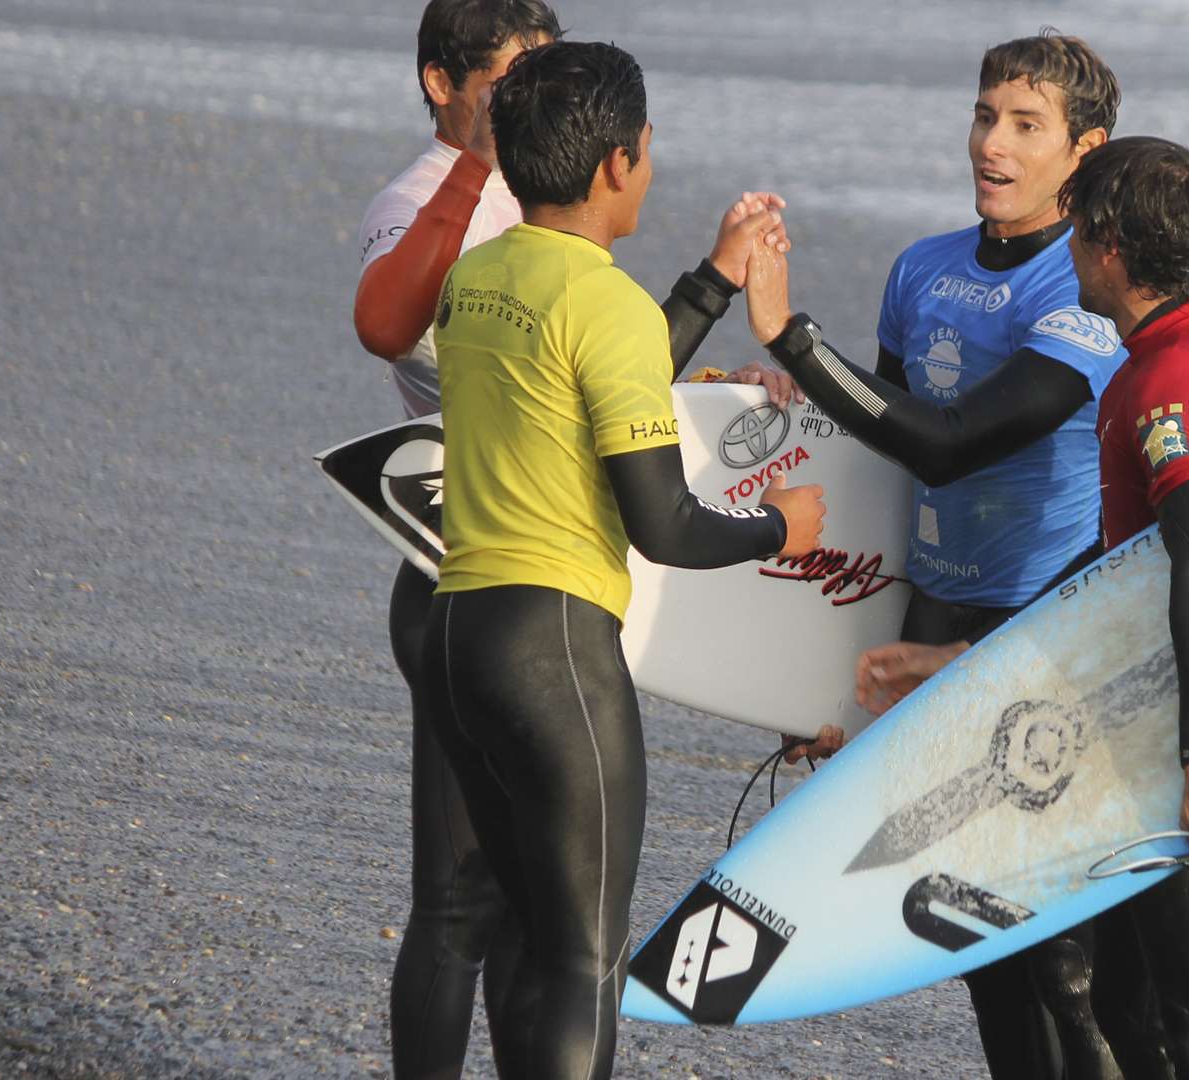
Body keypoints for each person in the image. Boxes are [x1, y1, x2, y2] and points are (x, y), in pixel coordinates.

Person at [347, 5, 796, 1076]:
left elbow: (573, 390)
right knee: (582, 959)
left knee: (469, 914)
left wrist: (706, 287)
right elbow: (664, 525)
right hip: (554, 649)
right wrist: (782, 527)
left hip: (454, 624)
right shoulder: (607, 308)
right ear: (616, 164)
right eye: (644, 156)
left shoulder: (472, 283)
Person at [740, 31, 1127, 1080]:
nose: (992, 144)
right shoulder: (923, 269)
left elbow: (951, 448)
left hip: (1042, 625)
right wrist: (810, 659)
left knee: (1056, 947)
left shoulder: (1085, 286)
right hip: (932, 617)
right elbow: (879, 458)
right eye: (984, 115)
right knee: (965, 934)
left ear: (1084, 150)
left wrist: (795, 344)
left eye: (1025, 125)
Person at [851, 136, 1189, 1079]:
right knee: (1121, 1005)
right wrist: (968, 654)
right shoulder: (1155, 355)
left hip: (1187, 744)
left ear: (1111, 243)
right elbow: (1113, 567)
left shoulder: (1177, 383)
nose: (1064, 245)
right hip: (1148, 725)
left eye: (1077, 228)